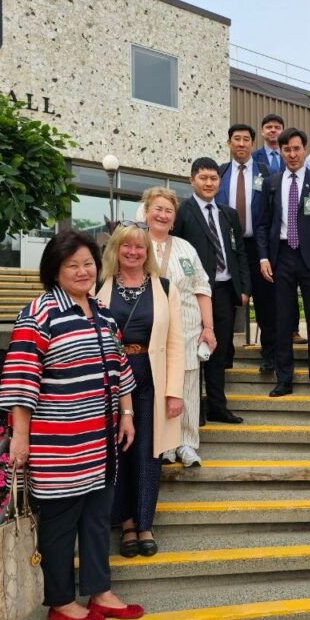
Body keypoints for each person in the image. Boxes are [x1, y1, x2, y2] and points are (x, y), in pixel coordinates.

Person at [0, 229, 142, 620]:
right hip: (58, 443)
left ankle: (100, 590)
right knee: (60, 525)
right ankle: (61, 601)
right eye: (72, 265)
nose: (83, 271)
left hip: (101, 440)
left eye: (88, 264)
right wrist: (20, 439)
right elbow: (21, 378)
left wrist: (127, 414)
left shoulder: (101, 311)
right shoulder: (39, 313)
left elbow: (121, 368)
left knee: (97, 519)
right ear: (55, 270)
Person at [98, 223, 184, 558]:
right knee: (118, 451)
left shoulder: (164, 287)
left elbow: (176, 343)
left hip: (152, 378)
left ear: (148, 253)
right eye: (127, 247)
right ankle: (127, 524)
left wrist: (174, 392)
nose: (133, 253)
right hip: (112, 382)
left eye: (140, 248)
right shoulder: (98, 286)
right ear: (116, 250)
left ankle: (145, 523)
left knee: (149, 453)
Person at [256, 127, 310, 398]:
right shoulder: (272, 182)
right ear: (281, 151)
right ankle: (284, 379)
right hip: (281, 257)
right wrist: (264, 257)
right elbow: (263, 223)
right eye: (286, 149)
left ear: (305, 149)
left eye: (296, 148)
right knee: (282, 321)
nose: (292, 154)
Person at [140, 186, 215, 467]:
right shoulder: (136, 244)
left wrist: (208, 328)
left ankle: (187, 443)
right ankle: (163, 444)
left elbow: (202, 288)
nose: (162, 215)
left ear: (174, 218)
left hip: (187, 329)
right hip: (149, 333)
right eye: (157, 209)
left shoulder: (186, 248)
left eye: (168, 211)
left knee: (187, 386)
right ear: (146, 212)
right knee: (157, 387)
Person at [172, 157, 250, 424]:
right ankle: (195, 409)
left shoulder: (228, 214)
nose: (208, 183)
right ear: (192, 180)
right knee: (195, 350)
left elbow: (239, 252)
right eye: (203, 178)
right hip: (193, 294)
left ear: (220, 181)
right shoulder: (183, 212)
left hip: (226, 291)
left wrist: (243, 287)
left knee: (219, 351)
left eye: (213, 178)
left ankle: (217, 406)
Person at [216, 124, 275, 374]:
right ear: (229, 143)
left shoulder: (265, 171)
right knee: (227, 302)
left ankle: (269, 354)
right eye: (236, 139)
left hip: (258, 247)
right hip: (228, 247)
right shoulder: (221, 172)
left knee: (265, 302)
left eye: (246, 140)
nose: (241, 144)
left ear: (253, 144)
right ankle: (225, 355)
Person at [252, 112, 304, 344]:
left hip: (296, 237)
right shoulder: (254, 160)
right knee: (271, 293)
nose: (273, 130)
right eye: (269, 127)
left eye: (277, 127)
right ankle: (271, 337)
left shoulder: (298, 164)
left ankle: (292, 329)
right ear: (263, 131)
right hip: (270, 235)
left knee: (292, 292)